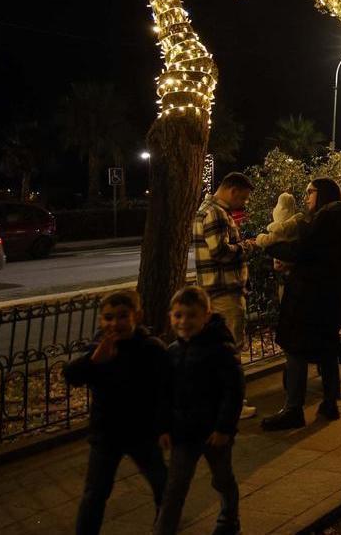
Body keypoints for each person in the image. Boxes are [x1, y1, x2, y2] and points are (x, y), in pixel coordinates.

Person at [64, 290, 169, 535]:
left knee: (162, 485)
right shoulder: (99, 348)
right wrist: (93, 361)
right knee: (95, 493)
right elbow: (72, 376)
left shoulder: (150, 348)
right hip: (107, 433)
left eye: (122, 317)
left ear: (137, 316)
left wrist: (164, 427)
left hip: (142, 432)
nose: (114, 324)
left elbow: (165, 390)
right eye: (108, 318)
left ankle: (163, 526)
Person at [261, 178, 341, 431]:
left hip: (309, 297)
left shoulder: (324, 220)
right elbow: (319, 257)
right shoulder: (338, 219)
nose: (306, 197)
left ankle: (293, 409)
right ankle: (330, 403)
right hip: (328, 297)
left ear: (323, 194)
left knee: (295, 349)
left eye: (310, 192)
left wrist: (268, 245)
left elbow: (301, 250)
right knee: (326, 349)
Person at [155, 286, 244, 535]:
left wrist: (224, 428)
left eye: (191, 316)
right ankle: (164, 529)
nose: (184, 322)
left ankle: (229, 518)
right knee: (175, 487)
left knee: (222, 477)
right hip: (183, 432)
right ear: (171, 316)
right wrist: (163, 427)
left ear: (206, 315)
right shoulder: (172, 352)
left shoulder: (220, 349)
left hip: (213, 432)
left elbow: (233, 391)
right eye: (178, 315)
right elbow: (165, 393)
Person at [192, 172, 258, 420]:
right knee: (231, 351)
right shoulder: (216, 213)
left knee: (218, 351)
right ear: (232, 189)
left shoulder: (208, 210)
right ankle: (233, 405)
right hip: (224, 293)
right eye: (243, 197)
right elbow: (220, 251)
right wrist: (248, 246)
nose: (244, 203)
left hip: (214, 291)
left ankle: (219, 400)